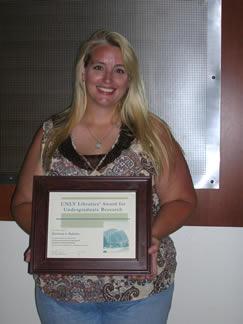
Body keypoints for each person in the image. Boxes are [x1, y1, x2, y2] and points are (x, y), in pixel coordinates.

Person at [11, 29, 197, 324]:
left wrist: (154, 235)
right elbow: (22, 204)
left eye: (119, 70)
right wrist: (42, 236)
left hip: (139, 293)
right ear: (83, 72)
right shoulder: (49, 135)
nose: (108, 79)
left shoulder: (153, 134)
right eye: (99, 67)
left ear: (130, 79)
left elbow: (182, 199)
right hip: (62, 293)